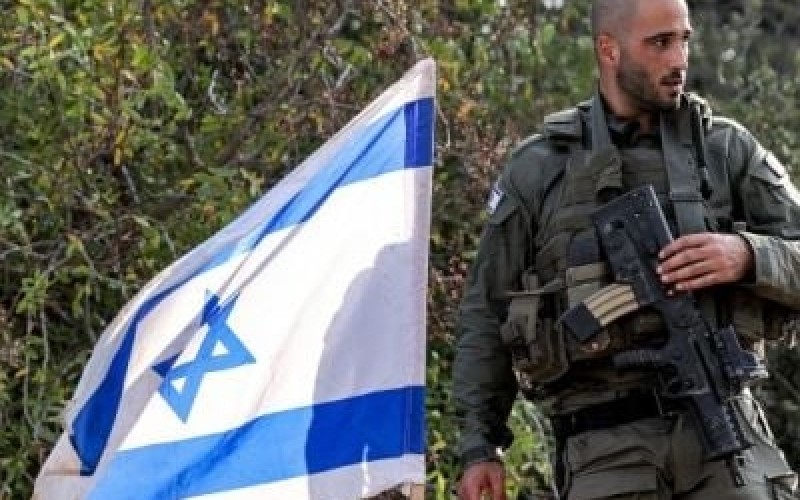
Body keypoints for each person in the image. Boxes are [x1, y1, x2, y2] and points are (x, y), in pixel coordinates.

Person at [452, 0, 800, 498]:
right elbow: (486, 311)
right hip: (605, 448)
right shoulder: (541, 167)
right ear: (609, 49)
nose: (678, 59)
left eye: (684, 39)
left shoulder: (725, 149)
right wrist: (479, 447)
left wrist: (746, 255)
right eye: (660, 43)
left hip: (727, 437)